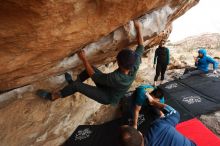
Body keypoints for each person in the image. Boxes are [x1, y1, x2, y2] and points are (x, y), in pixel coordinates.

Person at [36, 20, 145, 105]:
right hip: (112, 87)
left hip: (107, 96)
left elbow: (95, 77)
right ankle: (73, 84)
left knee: (78, 85)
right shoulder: (134, 63)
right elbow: (141, 46)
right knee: (89, 69)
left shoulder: (116, 77)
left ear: (119, 63)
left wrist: (83, 59)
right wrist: (139, 28)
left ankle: (54, 96)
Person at [119, 90, 196, 146]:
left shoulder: (159, 124)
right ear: (140, 133)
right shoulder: (158, 126)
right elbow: (175, 114)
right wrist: (154, 102)